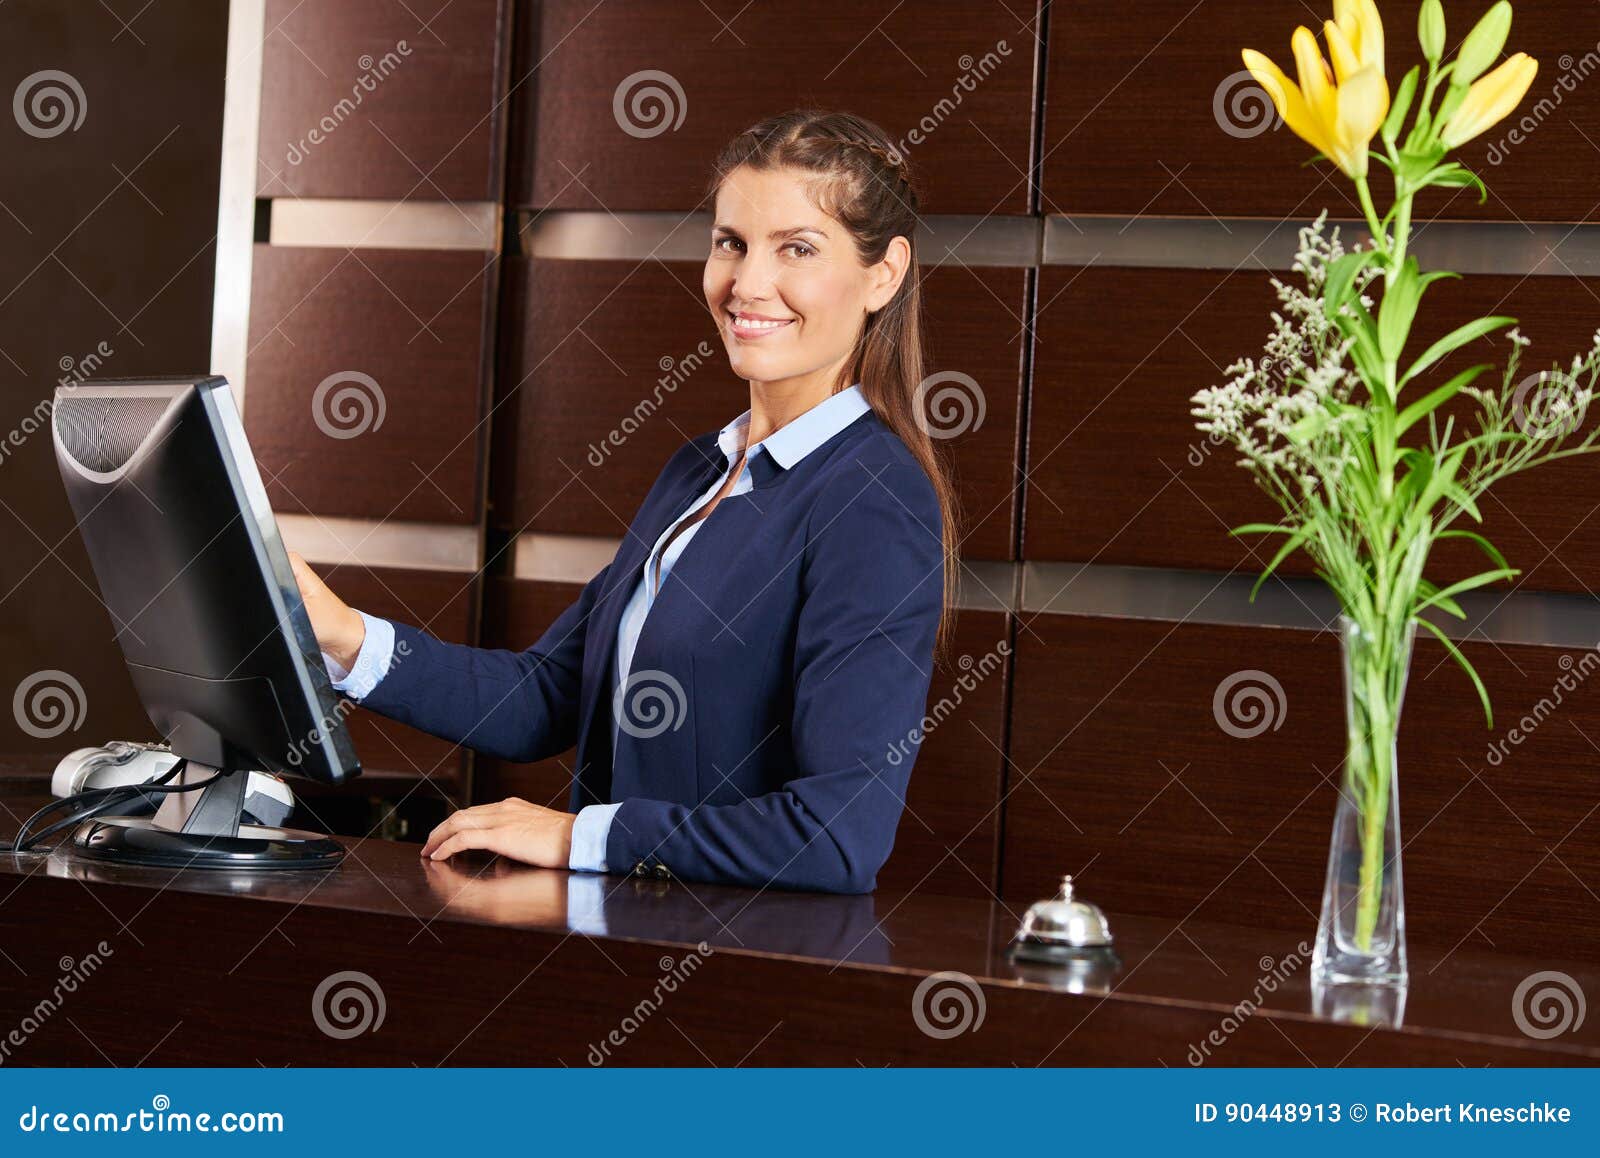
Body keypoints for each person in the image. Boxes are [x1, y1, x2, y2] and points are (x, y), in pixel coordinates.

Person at [290, 109, 961, 894]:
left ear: (884, 274)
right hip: (616, 946)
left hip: (733, 975)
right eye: (731, 243)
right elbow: (545, 699)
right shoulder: (698, 472)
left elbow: (836, 837)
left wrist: (584, 835)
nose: (746, 284)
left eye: (798, 249)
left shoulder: (873, 503)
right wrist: (340, 636)